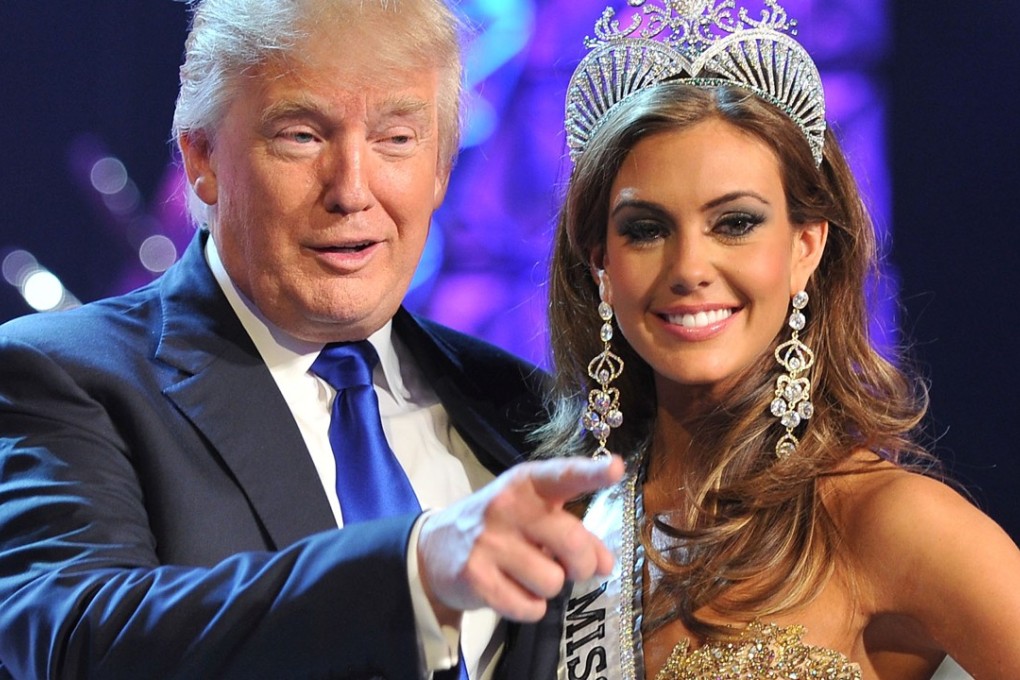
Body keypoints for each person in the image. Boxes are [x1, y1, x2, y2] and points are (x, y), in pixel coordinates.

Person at [0, 1, 624, 678]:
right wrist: (412, 573)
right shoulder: (63, 377)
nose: (352, 190)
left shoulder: (519, 407)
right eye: (301, 135)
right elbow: (72, 641)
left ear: (442, 166)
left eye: (397, 138)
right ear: (202, 160)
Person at [536, 0, 1020, 678]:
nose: (689, 270)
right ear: (601, 266)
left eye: (734, 223)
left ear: (805, 247)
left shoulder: (885, 519)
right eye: (646, 229)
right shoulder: (559, 527)